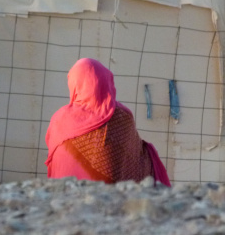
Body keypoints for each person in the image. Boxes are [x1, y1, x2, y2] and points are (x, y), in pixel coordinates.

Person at [45, 58, 170, 186]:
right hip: (119, 197)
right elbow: (134, 158)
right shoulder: (123, 115)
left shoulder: (61, 119)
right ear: (107, 81)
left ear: (75, 84)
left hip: (69, 196)